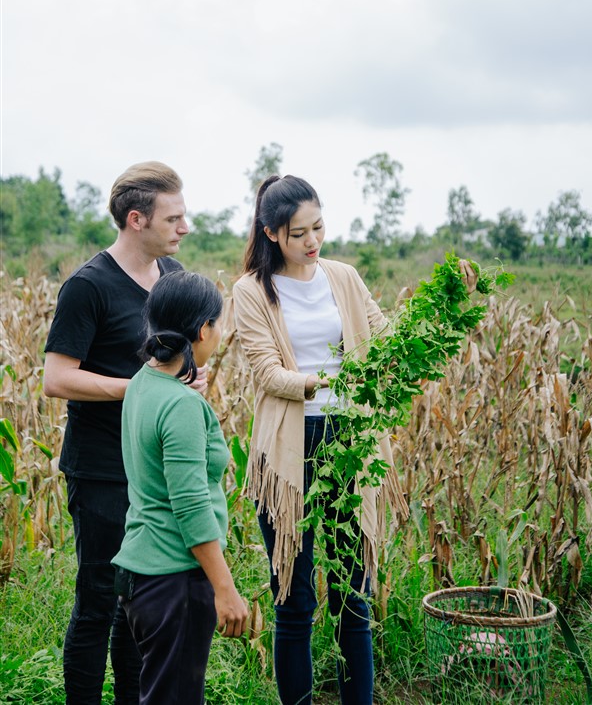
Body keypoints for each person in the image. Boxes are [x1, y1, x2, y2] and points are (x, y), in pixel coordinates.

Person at [233, 175, 476, 705]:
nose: (313, 241)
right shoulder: (251, 291)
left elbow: (385, 336)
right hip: (290, 450)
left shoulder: (342, 276)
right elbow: (267, 372)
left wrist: (439, 310)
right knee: (293, 600)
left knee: (353, 598)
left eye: (318, 227)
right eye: (299, 233)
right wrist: (322, 382)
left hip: (351, 442)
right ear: (273, 233)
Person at [43, 161, 204, 705]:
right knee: (97, 603)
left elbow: (176, 362)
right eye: (174, 218)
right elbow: (57, 377)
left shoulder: (175, 278)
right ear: (136, 219)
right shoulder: (88, 286)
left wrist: (187, 380)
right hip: (101, 469)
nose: (185, 228)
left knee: (142, 601)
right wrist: (135, 389)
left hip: (153, 470)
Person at [112, 270, 248, 705]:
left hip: (138, 575)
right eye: (219, 323)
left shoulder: (142, 384)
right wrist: (225, 589)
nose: (221, 333)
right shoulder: (182, 405)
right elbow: (190, 507)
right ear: (203, 330)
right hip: (175, 582)